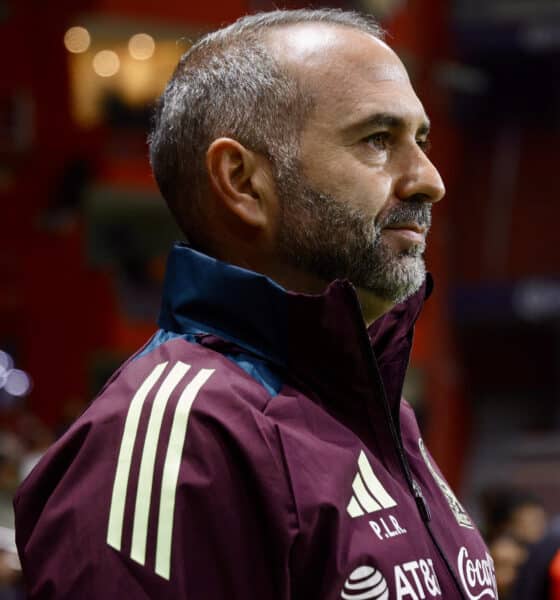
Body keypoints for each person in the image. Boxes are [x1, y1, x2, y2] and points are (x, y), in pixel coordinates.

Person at [14, 9, 495, 599]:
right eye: (377, 140)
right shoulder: (180, 441)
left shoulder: (381, 415)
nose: (429, 179)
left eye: (419, 140)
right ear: (242, 181)